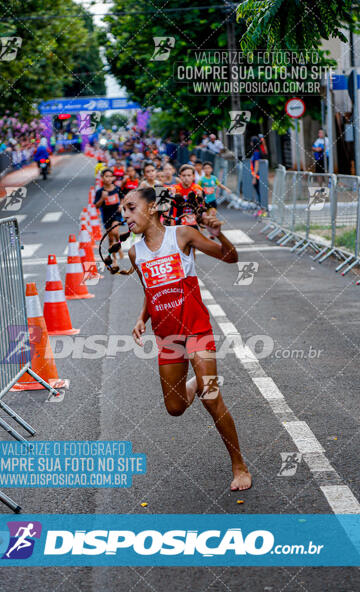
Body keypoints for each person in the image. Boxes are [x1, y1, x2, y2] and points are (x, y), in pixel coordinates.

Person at [123, 187, 252, 491]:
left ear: (152, 207)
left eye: (131, 208)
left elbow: (230, 259)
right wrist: (142, 318)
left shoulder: (181, 236)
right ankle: (191, 382)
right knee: (175, 407)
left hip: (196, 330)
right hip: (167, 338)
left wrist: (219, 235)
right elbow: (150, 291)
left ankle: (239, 465)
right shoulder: (134, 252)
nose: (126, 215)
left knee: (210, 396)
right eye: (123, 212)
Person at [95, 168, 123, 267]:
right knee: (110, 238)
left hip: (117, 215)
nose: (109, 178)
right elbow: (96, 206)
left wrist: (121, 205)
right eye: (106, 176)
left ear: (113, 178)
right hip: (106, 216)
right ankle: (114, 258)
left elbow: (123, 198)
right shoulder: (100, 192)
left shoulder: (116, 188)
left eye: (111, 176)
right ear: (102, 178)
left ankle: (119, 246)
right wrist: (102, 198)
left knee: (115, 231)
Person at [249, 136, 262, 208]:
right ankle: (260, 206)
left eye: (251, 141)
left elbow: (256, 165)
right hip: (255, 174)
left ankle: (261, 208)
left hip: (256, 175)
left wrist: (254, 177)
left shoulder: (256, 153)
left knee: (259, 191)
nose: (250, 143)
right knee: (258, 191)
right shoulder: (255, 152)